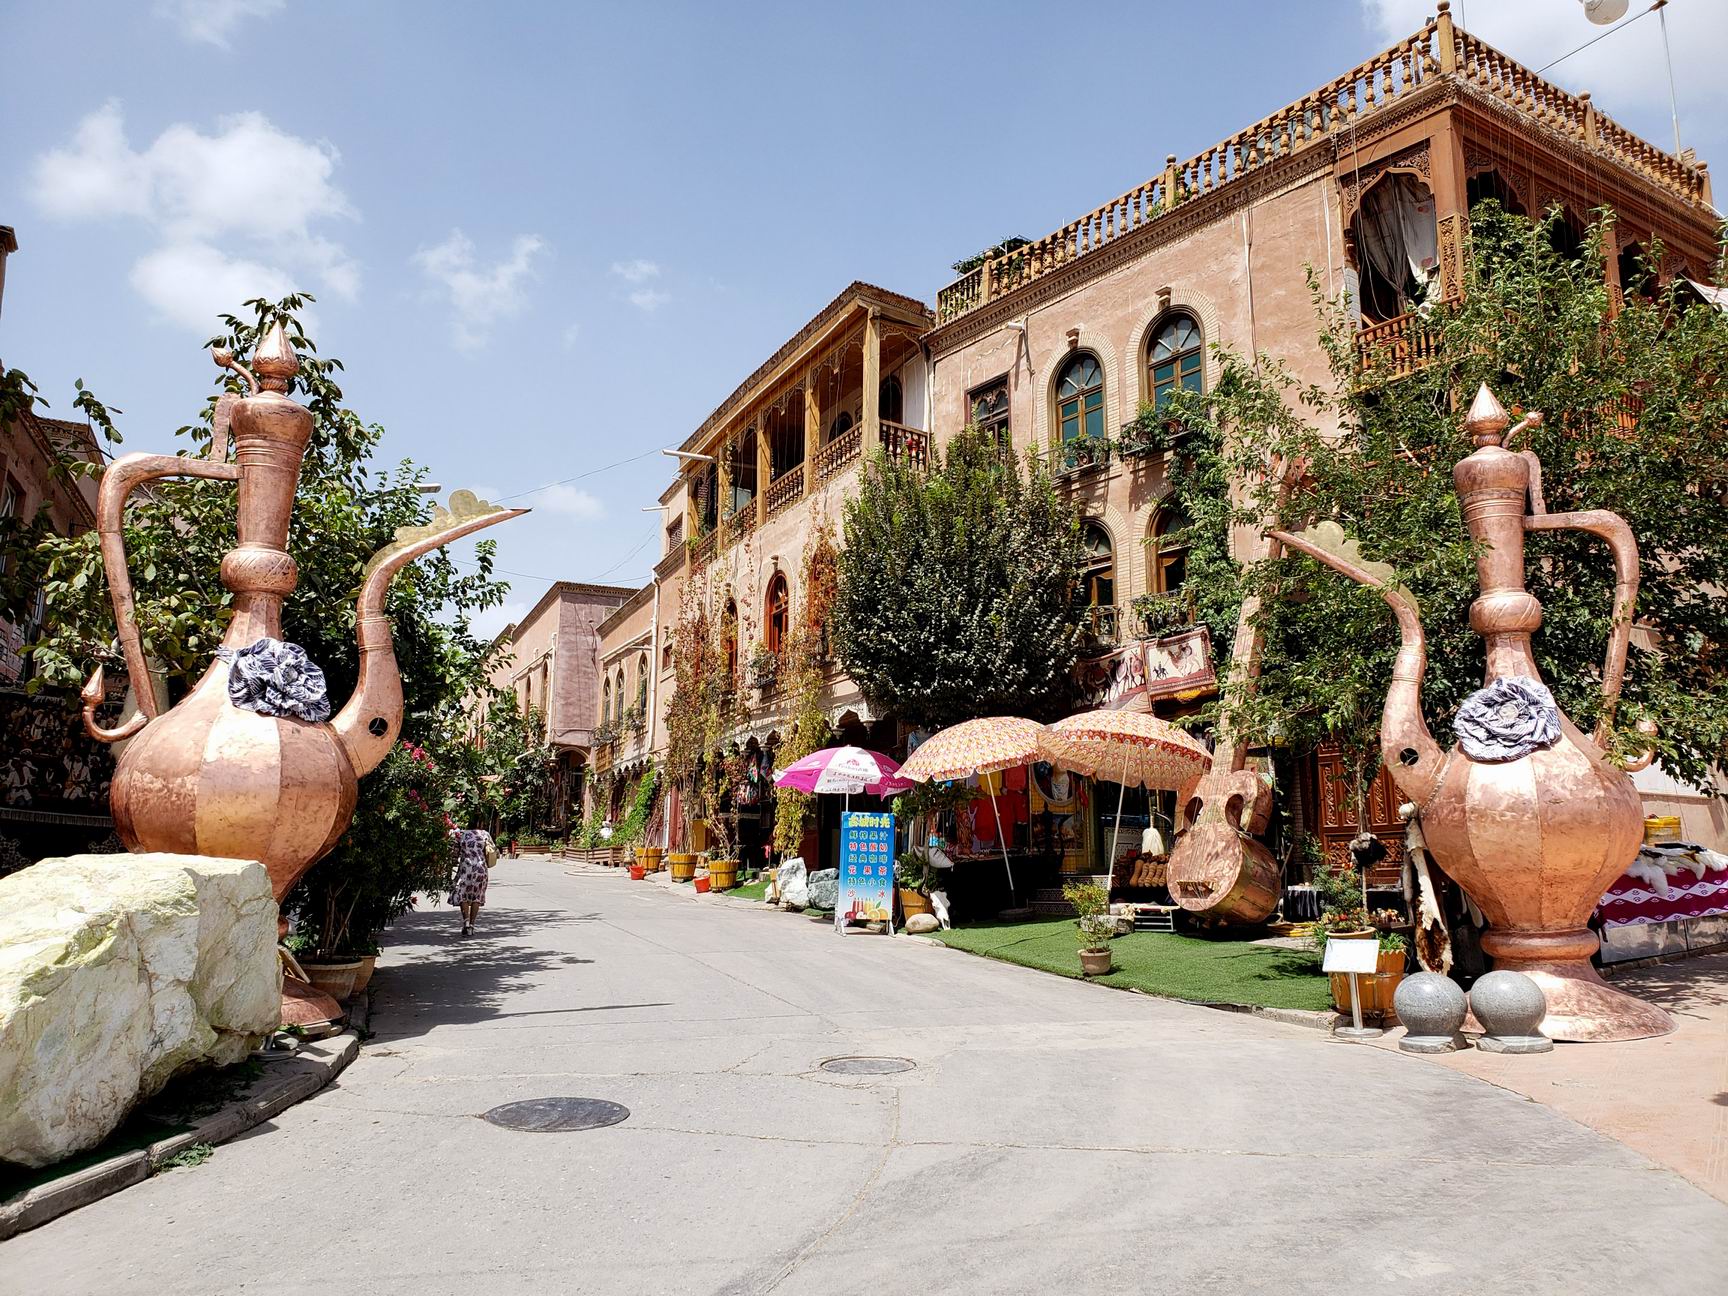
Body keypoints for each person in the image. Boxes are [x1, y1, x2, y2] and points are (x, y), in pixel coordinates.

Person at [450, 827, 498, 937]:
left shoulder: (460, 835)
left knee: (463, 895)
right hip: (481, 869)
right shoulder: (484, 834)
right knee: (477, 897)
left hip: (465, 868)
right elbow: (494, 851)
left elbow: (454, 854)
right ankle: (472, 925)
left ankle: (466, 922)